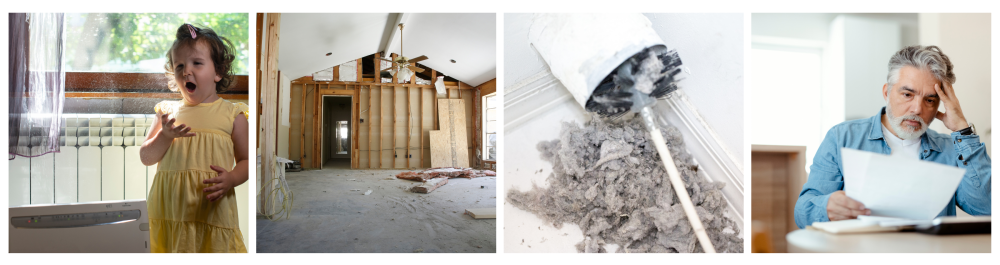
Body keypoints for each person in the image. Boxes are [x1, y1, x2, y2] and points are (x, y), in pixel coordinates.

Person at [794, 45, 991, 229]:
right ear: (887, 92)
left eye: (929, 100)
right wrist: (826, 207)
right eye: (907, 94)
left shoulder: (951, 150)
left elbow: (987, 208)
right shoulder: (842, 137)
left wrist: (963, 131)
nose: (917, 109)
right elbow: (803, 212)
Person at [140, 24, 249, 252]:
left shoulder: (233, 114)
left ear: (218, 72)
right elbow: (147, 157)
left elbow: (246, 162)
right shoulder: (166, 113)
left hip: (212, 213)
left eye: (196, 63)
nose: (186, 71)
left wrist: (231, 179)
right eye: (179, 65)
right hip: (169, 214)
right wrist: (164, 136)